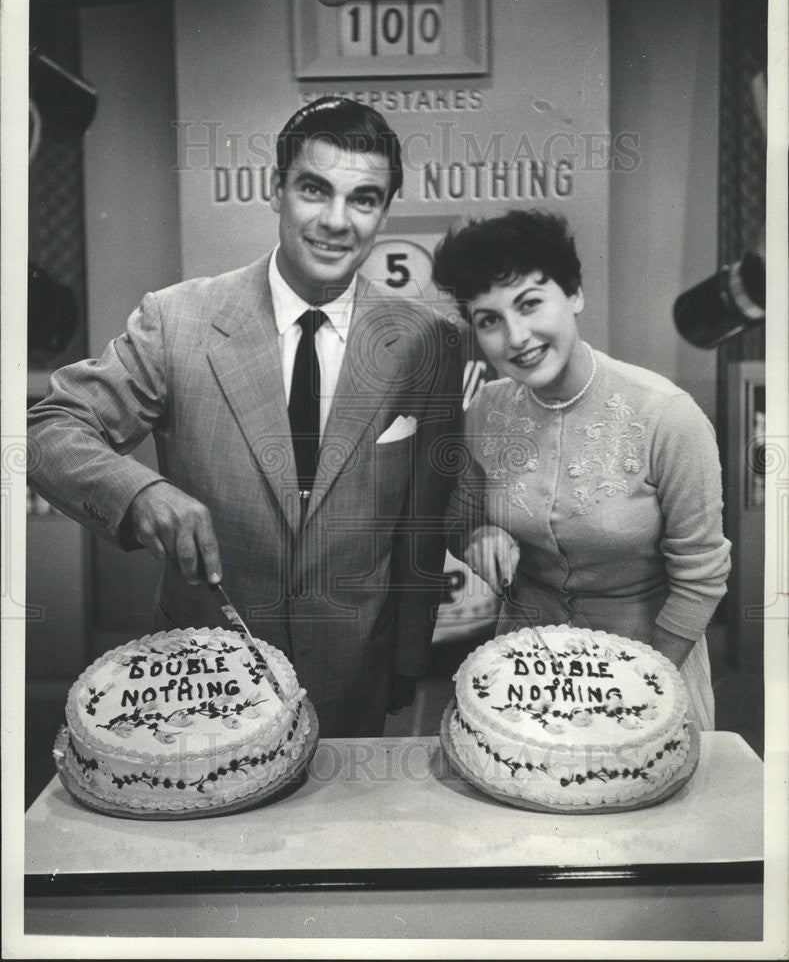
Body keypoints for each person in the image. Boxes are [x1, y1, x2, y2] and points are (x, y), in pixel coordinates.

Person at [27, 98, 464, 737]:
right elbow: (47, 430)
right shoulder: (176, 320)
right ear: (276, 189)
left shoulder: (429, 340)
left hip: (353, 683)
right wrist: (141, 492)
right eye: (315, 189)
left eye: (364, 199)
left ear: (384, 210)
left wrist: (404, 661)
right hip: (203, 684)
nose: (337, 221)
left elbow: (424, 519)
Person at [432, 209, 731, 730]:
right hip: (529, 672)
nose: (516, 336)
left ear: (574, 295)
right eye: (490, 320)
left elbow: (701, 576)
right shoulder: (486, 410)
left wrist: (645, 684)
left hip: (656, 664)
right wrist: (480, 536)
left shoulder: (668, 416)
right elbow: (460, 520)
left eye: (529, 304)